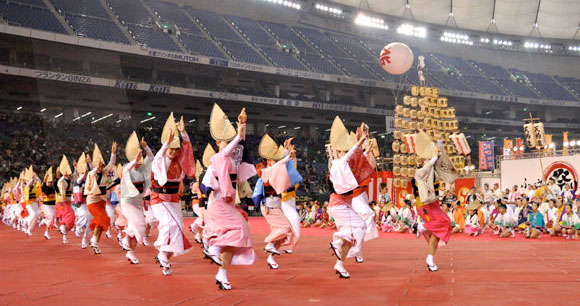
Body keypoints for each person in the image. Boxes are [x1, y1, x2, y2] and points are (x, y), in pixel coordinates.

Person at [201, 105, 257, 290]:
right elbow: (206, 188)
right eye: (225, 141)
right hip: (217, 204)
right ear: (218, 142)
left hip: (228, 204)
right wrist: (239, 134)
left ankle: (222, 273)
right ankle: (213, 247)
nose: (230, 144)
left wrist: (242, 125)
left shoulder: (233, 160)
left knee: (233, 240)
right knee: (241, 228)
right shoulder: (216, 159)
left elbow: (240, 144)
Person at [327, 118, 374, 278]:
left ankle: (340, 264)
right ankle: (338, 242)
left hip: (343, 206)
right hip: (338, 205)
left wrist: (363, 141)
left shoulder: (344, 164)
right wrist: (359, 142)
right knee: (360, 226)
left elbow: (360, 156)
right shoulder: (338, 163)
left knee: (351, 234)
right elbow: (349, 156)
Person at [151, 113, 195, 276]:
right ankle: (162, 252)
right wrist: (167, 143)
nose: (174, 151)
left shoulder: (179, 162)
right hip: (160, 199)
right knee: (172, 225)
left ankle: (165, 260)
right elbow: (157, 159)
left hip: (174, 199)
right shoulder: (160, 160)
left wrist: (183, 133)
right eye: (171, 148)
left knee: (179, 228)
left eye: (177, 149)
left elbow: (187, 151)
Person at [252, 134, 300, 269]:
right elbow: (281, 164)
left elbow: (289, 170)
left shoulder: (276, 170)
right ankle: (269, 244)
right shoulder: (265, 170)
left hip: (277, 206)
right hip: (268, 206)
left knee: (285, 233)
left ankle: (271, 255)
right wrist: (285, 153)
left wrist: (289, 155)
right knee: (286, 228)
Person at [414, 130, 453, 272]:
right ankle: (423, 227)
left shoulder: (434, 171)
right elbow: (429, 165)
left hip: (434, 204)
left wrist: (439, 141)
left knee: (441, 229)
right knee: (442, 224)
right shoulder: (419, 172)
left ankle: (430, 258)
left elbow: (440, 158)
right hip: (424, 206)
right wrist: (433, 159)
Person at [120, 133, 154, 265]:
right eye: (137, 161)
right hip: (128, 203)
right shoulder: (126, 169)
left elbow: (151, 158)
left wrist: (146, 147)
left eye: (140, 161)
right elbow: (127, 168)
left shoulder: (142, 171)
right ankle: (127, 239)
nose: (140, 163)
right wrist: (135, 160)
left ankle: (131, 252)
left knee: (135, 228)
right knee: (140, 226)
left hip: (138, 203)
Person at [56, 156, 75, 244]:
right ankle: (62, 228)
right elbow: (59, 182)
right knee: (70, 215)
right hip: (62, 202)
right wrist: (62, 175)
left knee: (70, 219)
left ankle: (64, 236)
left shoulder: (70, 180)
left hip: (68, 201)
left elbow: (77, 175)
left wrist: (75, 167)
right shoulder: (62, 181)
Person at [40, 167, 57, 240]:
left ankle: (45, 227)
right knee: (51, 217)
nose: (50, 183)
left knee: (52, 218)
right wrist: (45, 178)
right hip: (46, 206)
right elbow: (43, 186)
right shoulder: (45, 188)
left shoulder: (54, 188)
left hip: (53, 205)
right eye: (49, 182)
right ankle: (46, 232)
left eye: (51, 182)